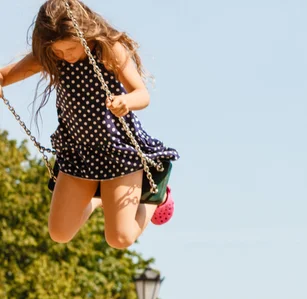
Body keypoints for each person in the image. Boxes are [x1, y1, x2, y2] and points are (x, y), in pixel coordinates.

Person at [0, 0, 179, 249]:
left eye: (71, 49)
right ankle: (100, 198)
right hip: (79, 153)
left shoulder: (108, 49)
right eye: (59, 52)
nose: (66, 57)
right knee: (59, 233)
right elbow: (4, 76)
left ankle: (157, 195)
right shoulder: (52, 54)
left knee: (119, 238)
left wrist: (125, 101)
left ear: (84, 34)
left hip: (118, 151)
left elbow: (142, 94)